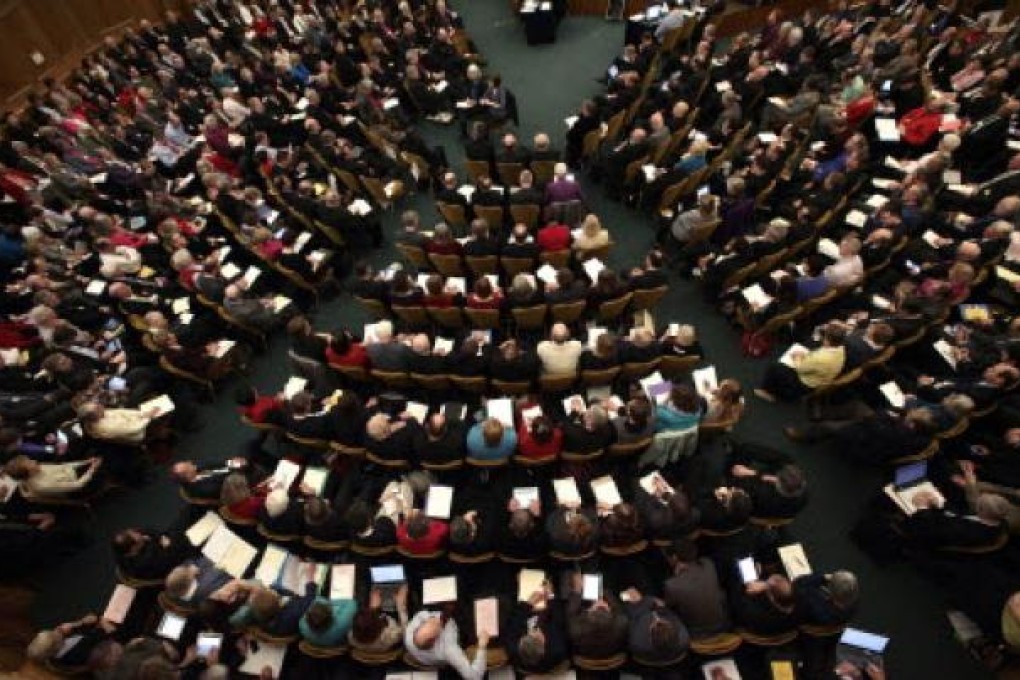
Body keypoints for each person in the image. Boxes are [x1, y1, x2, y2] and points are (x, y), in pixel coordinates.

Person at [755, 322, 847, 402]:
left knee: (774, 367)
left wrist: (797, 357)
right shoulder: (842, 349)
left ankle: (765, 391)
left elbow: (800, 369)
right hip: (821, 379)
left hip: (805, 383)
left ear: (827, 340)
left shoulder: (820, 358)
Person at [404, 609, 489, 679]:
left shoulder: (409, 634)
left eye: (432, 619)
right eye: (438, 623)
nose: (437, 618)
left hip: (428, 658)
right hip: (458, 630)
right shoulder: (449, 650)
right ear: (434, 640)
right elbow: (474, 677)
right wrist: (482, 646)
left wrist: (430, 618)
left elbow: (421, 614)